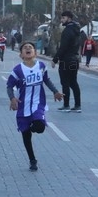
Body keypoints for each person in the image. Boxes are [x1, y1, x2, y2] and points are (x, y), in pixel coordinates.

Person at [7, 42, 63, 172]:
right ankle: (32, 160)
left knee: (40, 127)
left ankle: (33, 123)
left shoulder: (41, 66)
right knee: (26, 135)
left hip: (38, 104)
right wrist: (12, 98)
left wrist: (55, 91)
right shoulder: (17, 70)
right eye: (25, 48)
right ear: (21, 55)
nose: (27, 49)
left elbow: (46, 80)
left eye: (30, 47)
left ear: (35, 53)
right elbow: (9, 86)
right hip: (23, 106)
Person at [52, 10, 82, 113]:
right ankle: (78, 105)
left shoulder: (67, 31)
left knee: (65, 83)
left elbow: (63, 47)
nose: (61, 20)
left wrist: (55, 59)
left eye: (63, 18)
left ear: (69, 18)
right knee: (73, 82)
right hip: (75, 59)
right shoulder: (77, 30)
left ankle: (66, 105)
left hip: (66, 60)